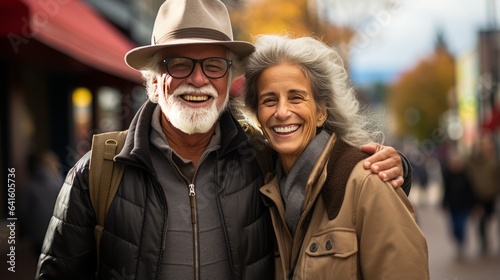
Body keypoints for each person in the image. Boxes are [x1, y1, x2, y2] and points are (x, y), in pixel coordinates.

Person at [35, 1, 412, 279]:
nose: (198, 80)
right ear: (153, 81)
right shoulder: (98, 174)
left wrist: (397, 170)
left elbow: (326, 175)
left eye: (213, 65)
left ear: (229, 79)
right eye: (179, 63)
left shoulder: (263, 161)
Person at [243, 34, 429, 279]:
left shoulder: (368, 182)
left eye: (296, 97)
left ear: (322, 112)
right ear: (257, 115)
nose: (282, 111)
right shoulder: (265, 187)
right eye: (269, 100)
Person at [20, 150, 63, 258]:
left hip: (37, 233)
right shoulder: (59, 183)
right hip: (56, 231)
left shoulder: (30, 184)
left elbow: (23, 211)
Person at [465, 134, 500, 255]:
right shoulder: (471, 163)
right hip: (478, 197)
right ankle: (484, 242)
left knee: (493, 219)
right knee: (482, 221)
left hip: (492, 196)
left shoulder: (493, 162)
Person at [441, 152, 478, 260]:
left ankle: (461, 244)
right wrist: (443, 203)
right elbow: (446, 191)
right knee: (454, 227)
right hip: (452, 206)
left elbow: (471, 191)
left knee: (461, 225)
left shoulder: (466, 175)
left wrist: (475, 205)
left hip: (464, 206)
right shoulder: (448, 175)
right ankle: (458, 241)